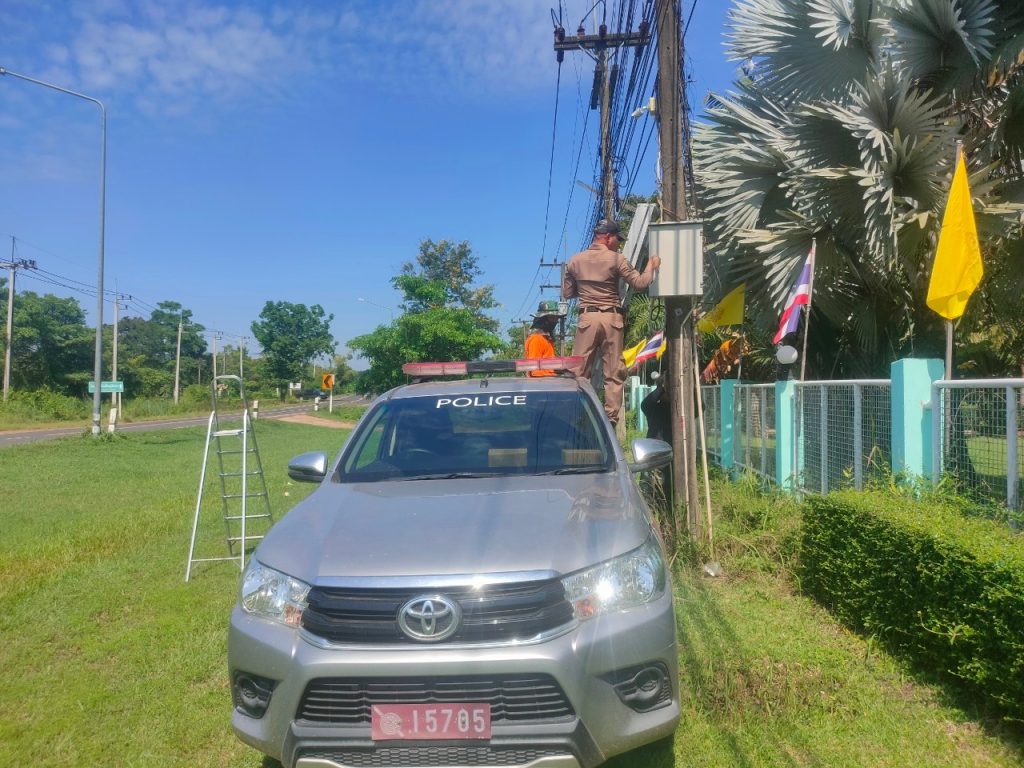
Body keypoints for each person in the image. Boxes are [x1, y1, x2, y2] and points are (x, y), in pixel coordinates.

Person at [562, 218, 661, 424]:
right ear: (608, 237)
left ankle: (577, 413)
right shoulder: (617, 259)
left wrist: (587, 286)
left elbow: (568, 293)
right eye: (617, 239)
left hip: (587, 319)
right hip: (611, 319)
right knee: (614, 371)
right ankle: (611, 418)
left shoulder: (574, 261)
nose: (619, 243)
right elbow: (640, 283)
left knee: (579, 370)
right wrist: (651, 265)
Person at [524, 300, 560, 377]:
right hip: (542, 381)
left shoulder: (546, 339)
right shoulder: (536, 339)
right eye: (552, 318)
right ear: (543, 319)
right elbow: (535, 371)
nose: (556, 321)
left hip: (549, 380)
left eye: (556, 318)